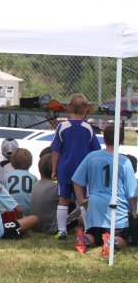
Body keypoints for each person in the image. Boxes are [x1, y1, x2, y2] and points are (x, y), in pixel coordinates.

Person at [71, 122, 138, 255]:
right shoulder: (124, 162)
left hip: (95, 204)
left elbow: (76, 180)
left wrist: (81, 200)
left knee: (94, 234)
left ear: (104, 138)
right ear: (121, 140)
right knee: (121, 236)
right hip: (116, 205)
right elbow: (132, 192)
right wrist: (134, 212)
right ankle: (112, 242)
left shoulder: (91, 157)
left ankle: (84, 239)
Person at [50, 94, 101, 239]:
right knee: (83, 201)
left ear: (69, 108)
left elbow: (55, 150)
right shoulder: (88, 129)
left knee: (63, 199)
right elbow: (96, 152)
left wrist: (54, 169)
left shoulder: (62, 127)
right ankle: (87, 231)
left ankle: (62, 231)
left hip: (65, 170)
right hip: (83, 173)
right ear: (86, 110)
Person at [0, 148, 37, 216]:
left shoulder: (6, 176)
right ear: (30, 163)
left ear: (12, 163)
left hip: (9, 214)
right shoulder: (34, 178)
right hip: (27, 215)